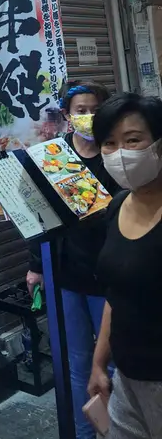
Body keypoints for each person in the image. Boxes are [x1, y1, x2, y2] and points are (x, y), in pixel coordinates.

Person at [26, 81, 119, 439]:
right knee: (77, 361)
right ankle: (85, 433)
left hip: (107, 276)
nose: (88, 116)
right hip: (65, 274)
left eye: (95, 109)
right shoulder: (55, 154)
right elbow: (38, 214)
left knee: (111, 360)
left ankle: (119, 429)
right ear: (67, 114)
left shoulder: (115, 154)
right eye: (81, 110)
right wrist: (36, 265)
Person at [89, 93, 162, 438]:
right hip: (125, 378)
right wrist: (98, 363)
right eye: (109, 142)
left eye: (132, 140)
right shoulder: (117, 206)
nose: (120, 153)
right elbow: (116, 294)